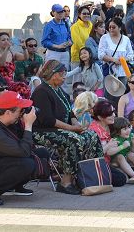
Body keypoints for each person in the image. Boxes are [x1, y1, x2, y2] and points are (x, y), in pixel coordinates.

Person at [32, 60, 103, 195]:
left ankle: (91, 176)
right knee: (73, 139)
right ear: (53, 75)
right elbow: (48, 120)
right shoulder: (41, 91)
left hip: (61, 129)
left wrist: (77, 124)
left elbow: (70, 112)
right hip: (41, 131)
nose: (65, 77)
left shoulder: (58, 90)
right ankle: (66, 181)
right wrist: (71, 129)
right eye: (62, 74)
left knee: (91, 135)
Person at [0, 91, 49, 206]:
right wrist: (28, 125)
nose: (22, 113)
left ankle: (13, 186)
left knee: (41, 153)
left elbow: (25, 145)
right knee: (27, 163)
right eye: (20, 110)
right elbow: (23, 152)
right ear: (8, 112)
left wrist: (23, 122)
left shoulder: (9, 122)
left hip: (1, 162)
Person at [87, 100, 127, 187]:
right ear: (100, 117)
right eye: (109, 114)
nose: (113, 115)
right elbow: (93, 155)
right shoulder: (93, 131)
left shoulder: (110, 125)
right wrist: (109, 145)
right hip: (98, 164)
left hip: (111, 159)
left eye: (113, 112)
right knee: (121, 179)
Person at [98, 18, 134, 104]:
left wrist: (122, 60)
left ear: (120, 28)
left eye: (113, 27)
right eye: (109, 27)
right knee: (109, 96)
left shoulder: (126, 39)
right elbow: (100, 54)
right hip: (110, 73)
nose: (111, 29)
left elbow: (131, 55)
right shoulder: (105, 38)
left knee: (121, 96)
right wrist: (113, 60)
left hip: (122, 72)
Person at [0, 32, 30, 99]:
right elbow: (1, 64)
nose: (6, 41)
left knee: (24, 88)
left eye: (7, 39)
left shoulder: (12, 54)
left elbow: (26, 57)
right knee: (22, 87)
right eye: (3, 40)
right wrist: (6, 49)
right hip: (1, 83)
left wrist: (24, 47)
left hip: (11, 82)